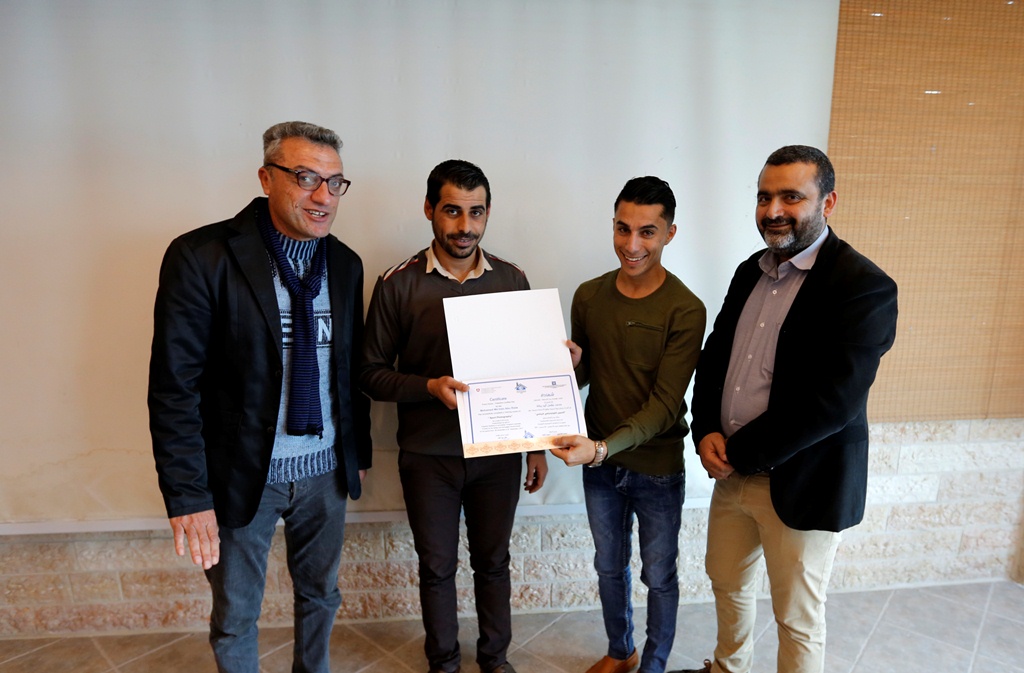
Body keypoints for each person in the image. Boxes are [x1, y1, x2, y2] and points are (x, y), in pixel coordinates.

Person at [148, 121, 371, 673]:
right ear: (266, 178)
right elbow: (174, 388)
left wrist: (357, 454)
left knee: (321, 596)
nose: (323, 197)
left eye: (335, 183)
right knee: (236, 615)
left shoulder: (345, 264)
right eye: (305, 178)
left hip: (325, 474)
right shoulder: (202, 256)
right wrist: (188, 495)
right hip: (239, 474)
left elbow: (348, 368)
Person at [676, 146, 898, 673]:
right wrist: (704, 430)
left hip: (804, 482)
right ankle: (727, 668)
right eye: (764, 197)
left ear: (828, 202)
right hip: (731, 473)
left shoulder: (863, 286)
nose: (773, 210)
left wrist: (738, 451)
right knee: (727, 583)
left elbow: (832, 402)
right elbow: (715, 358)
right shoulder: (748, 272)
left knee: (796, 617)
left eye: (791, 197)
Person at [360, 159, 548, 673]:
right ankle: (443, 663)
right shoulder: (397, 284)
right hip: (428, 456)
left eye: (476, 212)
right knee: (437, 567)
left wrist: (535, 446)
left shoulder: (512, 279)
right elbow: (370, 373)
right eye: (452, 211)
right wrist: (427, 388)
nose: (465, 226)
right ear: (429, 209)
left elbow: (529, 370)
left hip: (499, 453)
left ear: (487, 213)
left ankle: (495, 660)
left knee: (494, 562)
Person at [550, 176, 706, 673]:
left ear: (670, 233)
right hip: (601, 467)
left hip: (655, 468)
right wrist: (569, 369)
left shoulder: (686, 309)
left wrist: (600, 448)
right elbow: (587, 375)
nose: (632, 244)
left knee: (658, 576)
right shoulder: (589, 296)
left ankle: (653, 666)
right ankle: (621, 653)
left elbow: (664, 405)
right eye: (622, 228)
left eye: (647, 232)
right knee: (608, 567)